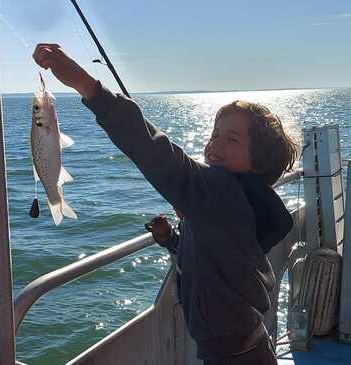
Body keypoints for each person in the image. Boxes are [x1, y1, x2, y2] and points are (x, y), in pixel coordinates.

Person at [33, 43, 298, 365]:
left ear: (258, 163)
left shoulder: (220, 189)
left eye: (232, 139)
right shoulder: (239, 201)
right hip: (243, 346)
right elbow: (214, 259)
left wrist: (86, 85)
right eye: (215, 134)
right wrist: (172, 240)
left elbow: (152, 150)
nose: (215, 144)